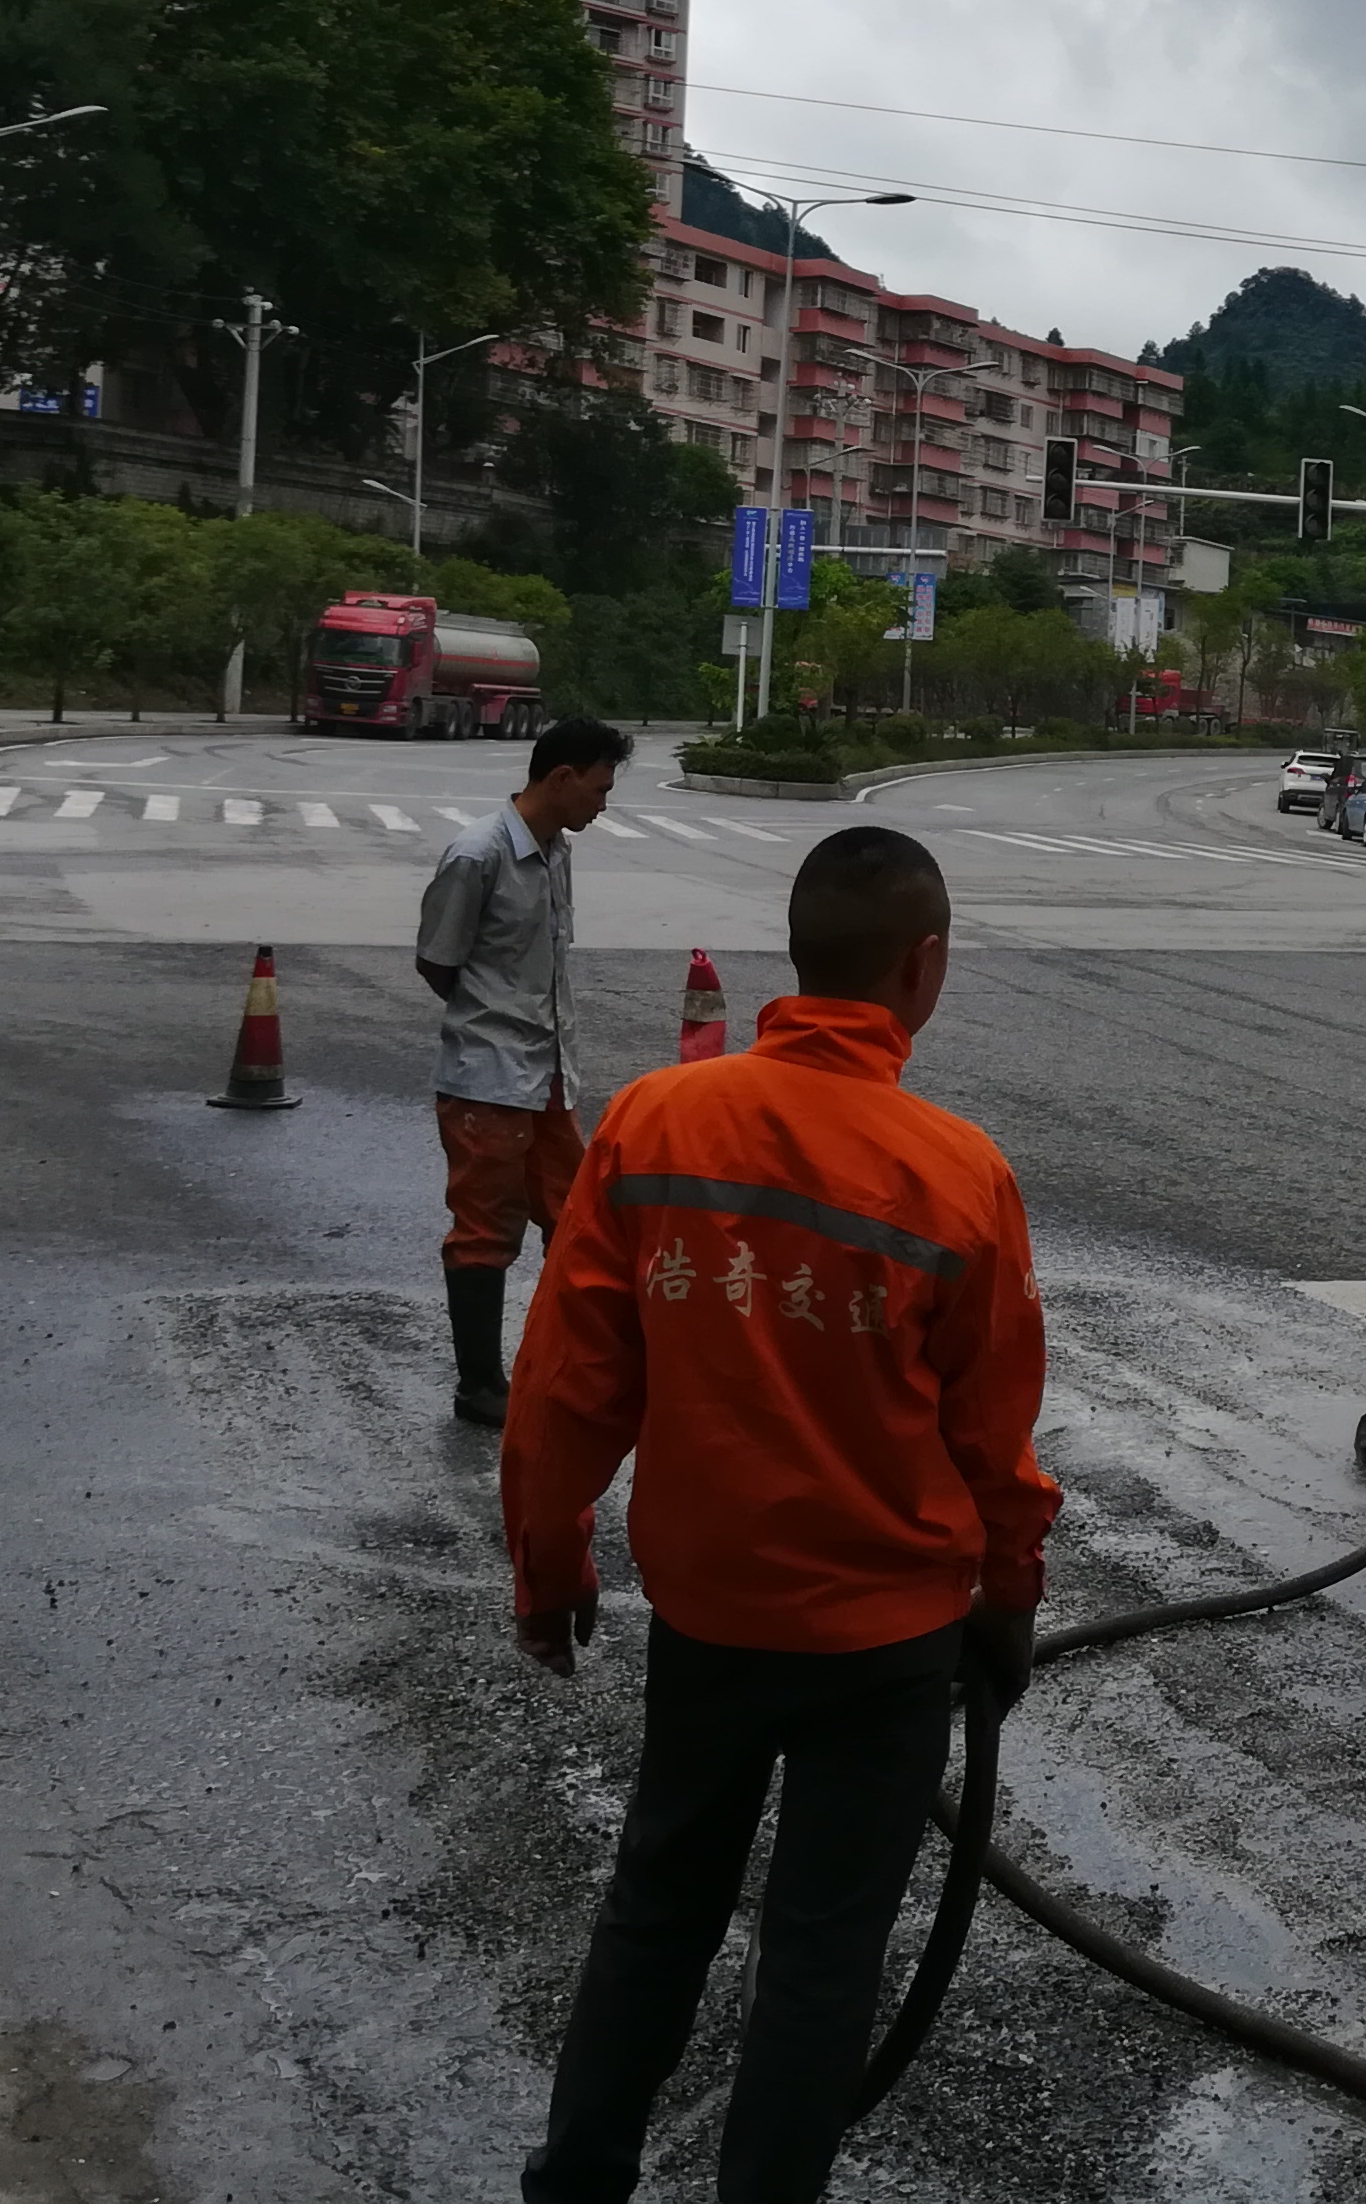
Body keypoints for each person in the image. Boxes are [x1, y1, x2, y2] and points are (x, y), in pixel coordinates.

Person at [502, 826, 1055, 2204]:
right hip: (886, 1640)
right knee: (820, 1956)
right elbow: (995, 1442)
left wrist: (550, 1559)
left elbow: (569, 1384)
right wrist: (1008, 1599)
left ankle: (576, 2181)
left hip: (711, 1611)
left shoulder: (651, 1124)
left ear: (798, 956)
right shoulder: (956, 1172)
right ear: (923, 969)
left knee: (658, 1908)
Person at [416, 715, 630, 1425]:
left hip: (548, 1076)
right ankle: (480, 1384)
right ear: (562, 778)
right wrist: (491, 1023)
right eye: (599, 788)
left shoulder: (556, 849)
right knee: (484, 1228)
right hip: (487, 1078)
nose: (603, 803)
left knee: (574, 1217)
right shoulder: (478, 854)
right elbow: (437, 961)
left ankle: (563, 1363)